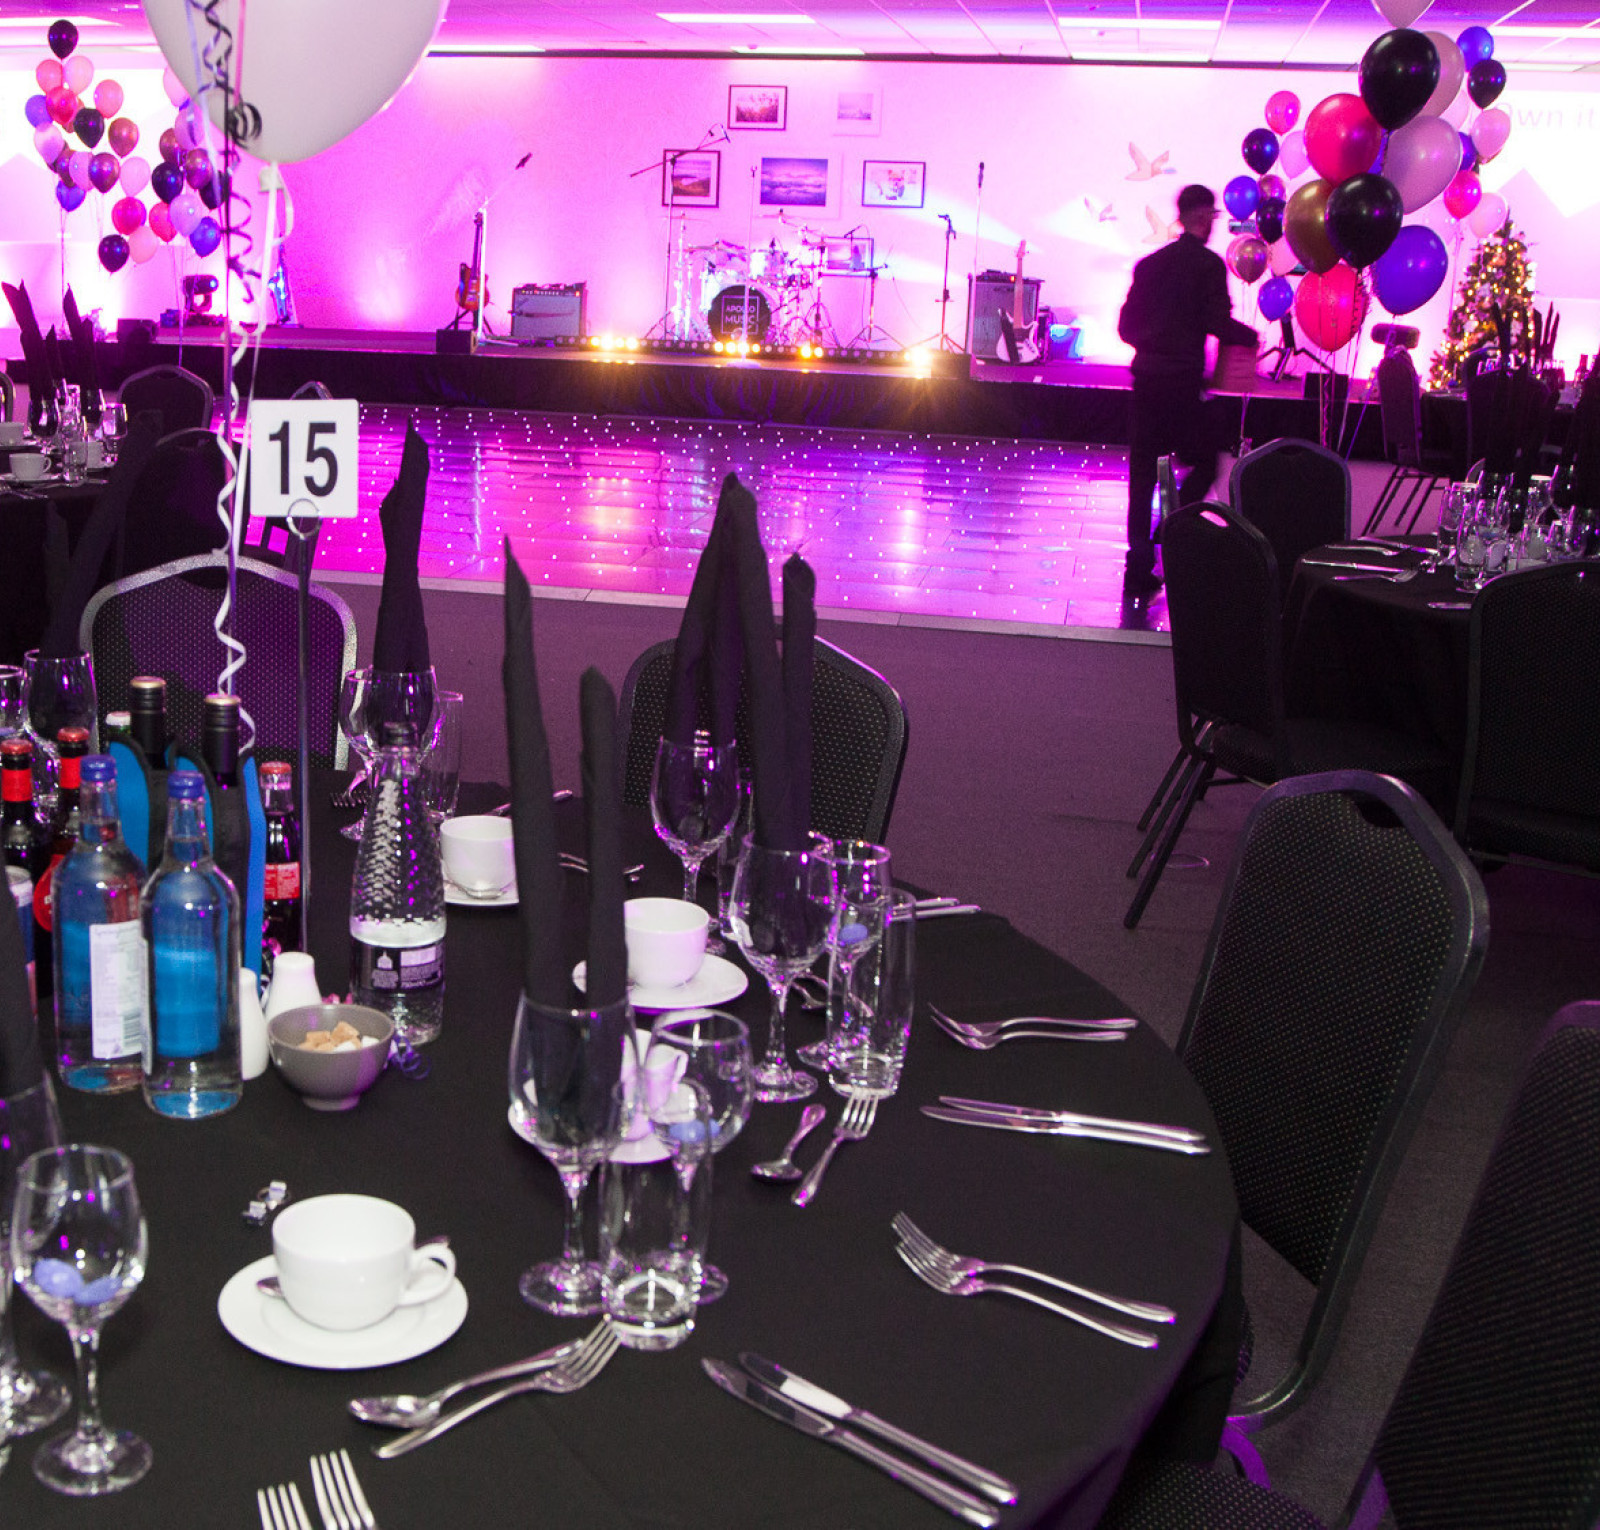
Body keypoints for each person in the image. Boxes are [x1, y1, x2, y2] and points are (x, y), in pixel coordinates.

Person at [1117, 184, 1258, 598]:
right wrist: (1248, 337)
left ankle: (1138, 565)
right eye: (1212, 216)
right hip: (1181, 383)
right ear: (1201, 217)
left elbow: (1125, 328)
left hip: (1146, 381)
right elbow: (1217, 321)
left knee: (1142, 475)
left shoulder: (1148, 265)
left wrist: (1153, 342)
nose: (1213, 224)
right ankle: (1171, 530)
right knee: (1205, 463)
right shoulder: (1208, 266)